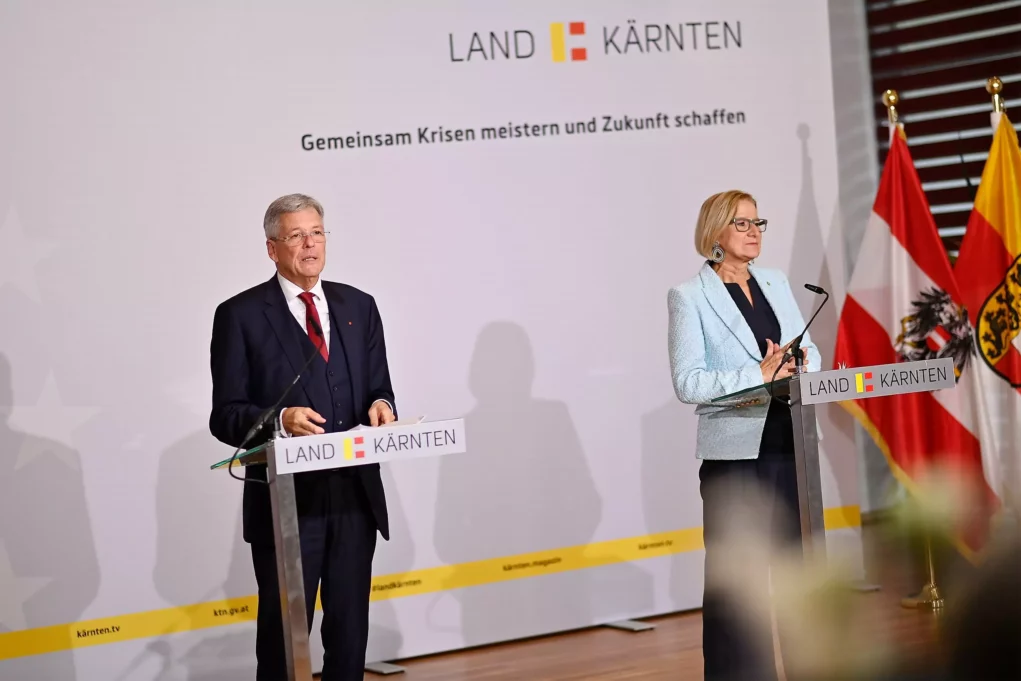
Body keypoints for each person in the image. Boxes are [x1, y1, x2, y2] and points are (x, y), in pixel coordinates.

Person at [208, 193, 397, 680]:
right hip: (286, 504)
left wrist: (382, 406)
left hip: (355, 495)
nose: (310, 244)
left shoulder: (359, 305)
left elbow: (379, 387)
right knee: (283, 637)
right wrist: (280, 419)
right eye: (296, 235)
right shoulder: (241, 315)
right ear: (273, 248)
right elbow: (225, 416)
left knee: (350, 632)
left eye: (317, 232)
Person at [666, 190, 821, 681]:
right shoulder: (689, 296)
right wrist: (759, 373)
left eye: (759, 222)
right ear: (715, 233)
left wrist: (796, 363)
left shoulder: (775, 282)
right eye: (742, 223)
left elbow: (809, 353)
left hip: (790, 444)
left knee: (798, 577)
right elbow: (688, 383)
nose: (755, 231)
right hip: (735, 457)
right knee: (739, 585)